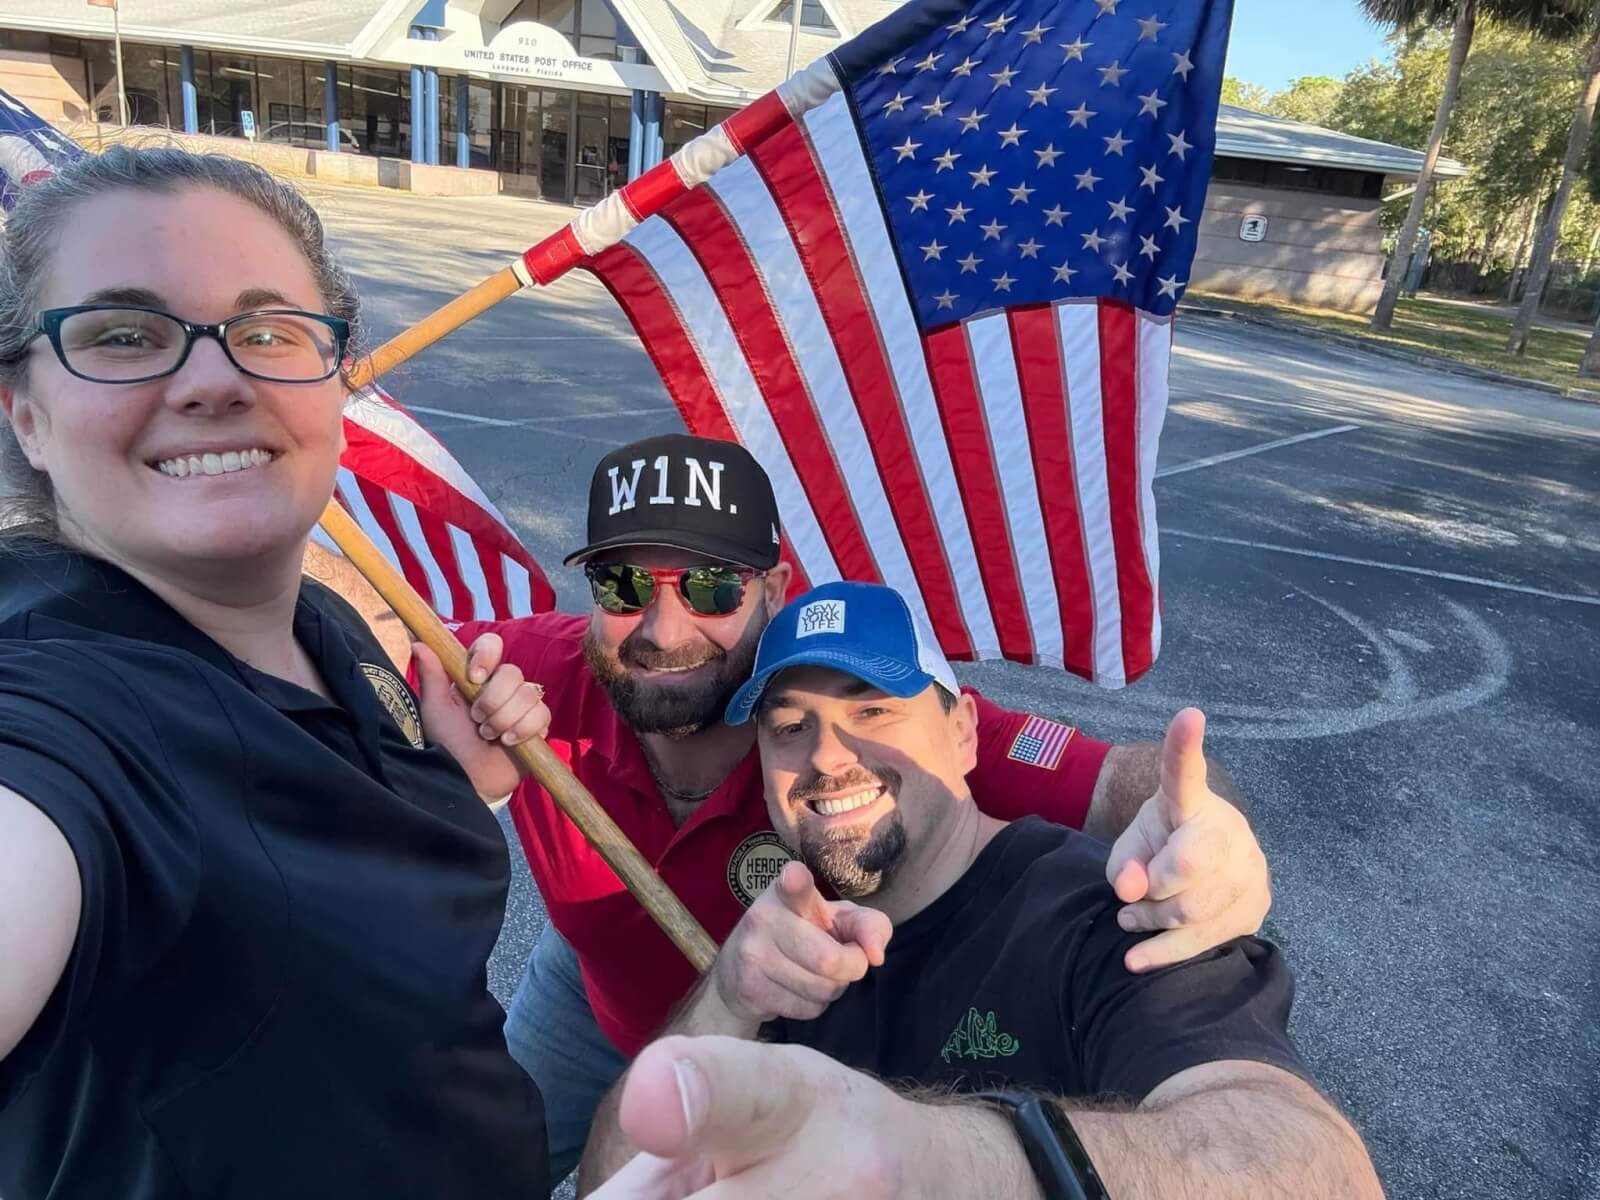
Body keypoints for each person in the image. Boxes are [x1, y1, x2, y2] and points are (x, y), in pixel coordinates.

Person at [430, 433, 1276, 1183]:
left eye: (713, 587)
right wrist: (443, 756)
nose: (663, 625)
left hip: (762, 1024)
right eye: (621, 584)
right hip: (593, 986)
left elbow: (1125, 779)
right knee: (475, 1172)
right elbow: (367, 623)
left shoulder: (851, 705)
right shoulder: (520, 679)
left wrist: (1215, 836)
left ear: (773, 588)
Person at [0, 146, 557, 1197]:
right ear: (24, 412)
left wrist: (450, 786)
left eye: (267, 331)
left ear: (333, 373)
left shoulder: (325, 624)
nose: (215, 378)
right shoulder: (61, 710)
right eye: (125, 335)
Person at [580, 582, 1383, 1198]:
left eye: (874, 708)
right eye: (790, 728)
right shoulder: (780, 959)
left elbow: (1310, 1167)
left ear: (963, 732)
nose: (827, 756)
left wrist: (925, 1163)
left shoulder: (1104, 913)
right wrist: (724, 997)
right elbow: (609, 1180)